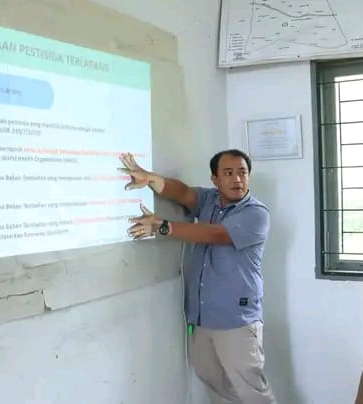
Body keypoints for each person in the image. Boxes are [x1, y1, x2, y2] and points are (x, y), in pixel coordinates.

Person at [119, 149, 277, 404]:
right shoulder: (209, 200)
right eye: (228, 173)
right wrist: (150, 178)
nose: (237, 179)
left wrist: (163, 226)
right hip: (202, 318)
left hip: (236, 321)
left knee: (252, 393)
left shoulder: (256, 213)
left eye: (242, 173)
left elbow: (217, 234)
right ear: (215, 179)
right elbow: (182, 193)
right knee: (216, 387)